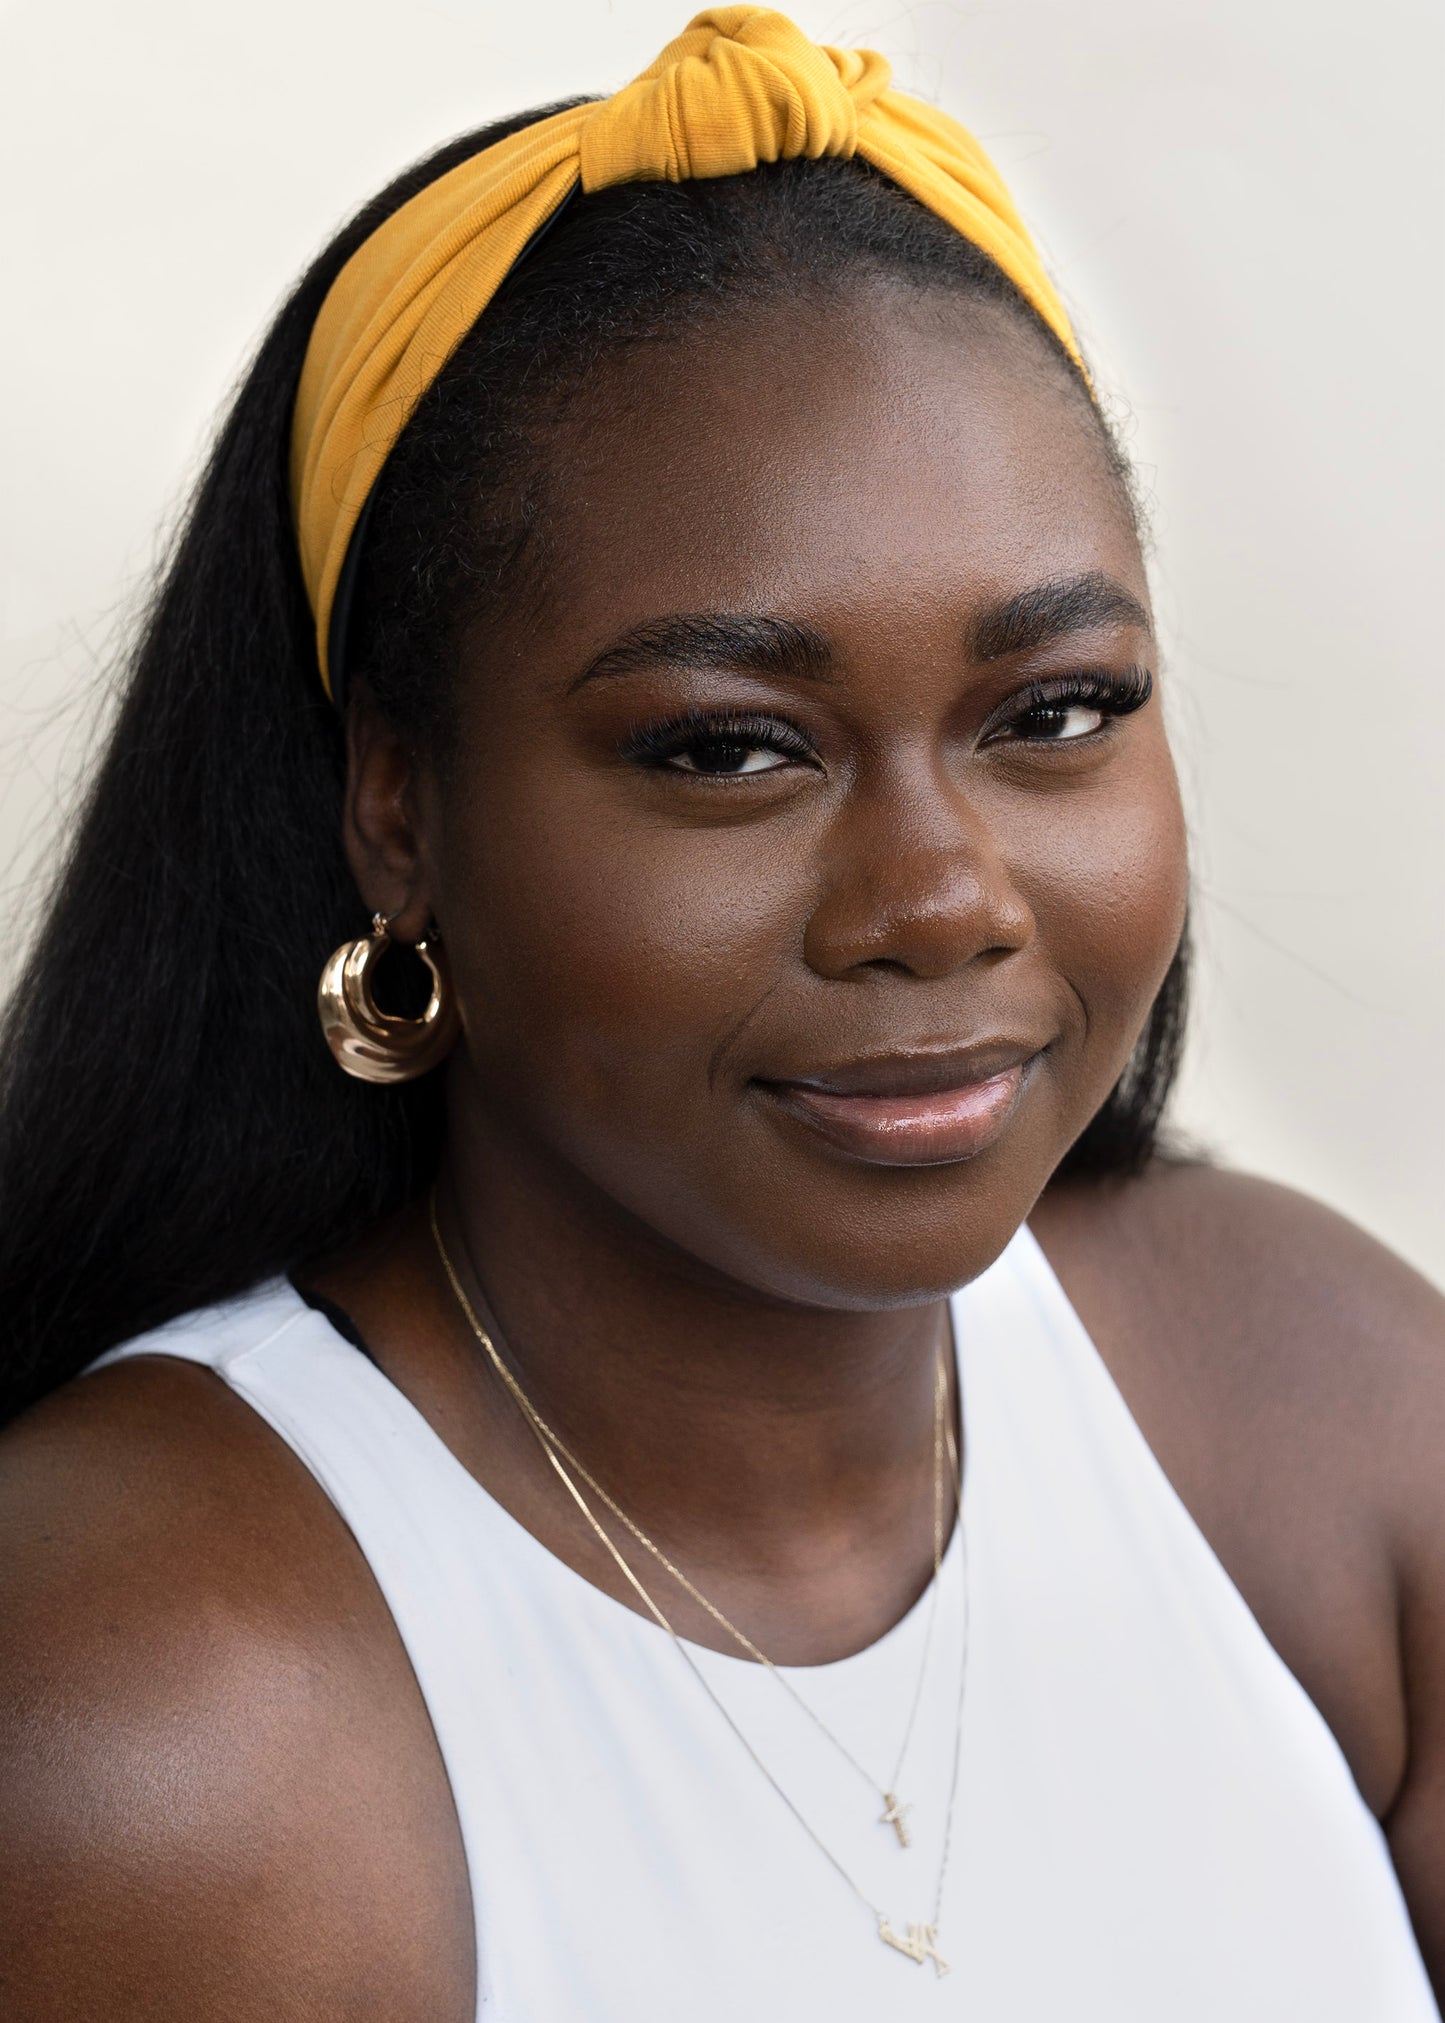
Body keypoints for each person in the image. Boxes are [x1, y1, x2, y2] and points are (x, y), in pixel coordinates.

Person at [0, 9, 1440, 2017]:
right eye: (729, 750)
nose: (941, 895)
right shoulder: (158, 1703)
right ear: (395, 809)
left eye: (1057, 711)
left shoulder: (1311, 1408)